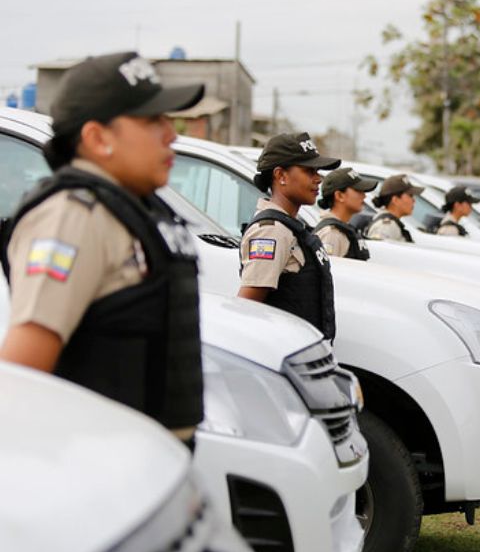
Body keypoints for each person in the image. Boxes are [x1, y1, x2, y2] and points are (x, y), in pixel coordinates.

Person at [0, 51, 206, 449]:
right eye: (152, 120)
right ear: (97, 138)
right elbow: (21, 374)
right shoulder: (72, 217)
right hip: (103, 472)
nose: (171, 133)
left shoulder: (138, 208)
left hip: (151, 467)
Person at [237, 132, 341, 341]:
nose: (318, 178)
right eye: (309, 171)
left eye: (317, 171)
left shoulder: (290, 227)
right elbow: (246, 308)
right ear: (281, 176)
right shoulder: (271, 231)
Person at [314, 167, 378, 260]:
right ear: (339, 196)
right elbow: (330, 272)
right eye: (358, 190)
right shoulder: (332, 234)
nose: (364, 196)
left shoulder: (343, 230)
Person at [365, 174, 424, 243]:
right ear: (395, 200)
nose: (413, 200)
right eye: (410, 195)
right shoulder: (385, 227)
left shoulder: (393, 224)